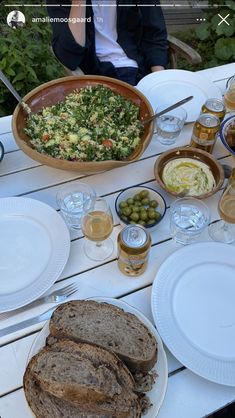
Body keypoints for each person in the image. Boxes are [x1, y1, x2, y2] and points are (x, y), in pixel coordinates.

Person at [46, 0, 168, 85]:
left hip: (138, 70)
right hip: (94, 75)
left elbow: (154, 33)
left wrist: (158, 81)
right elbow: (68, 57)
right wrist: (78, 3)